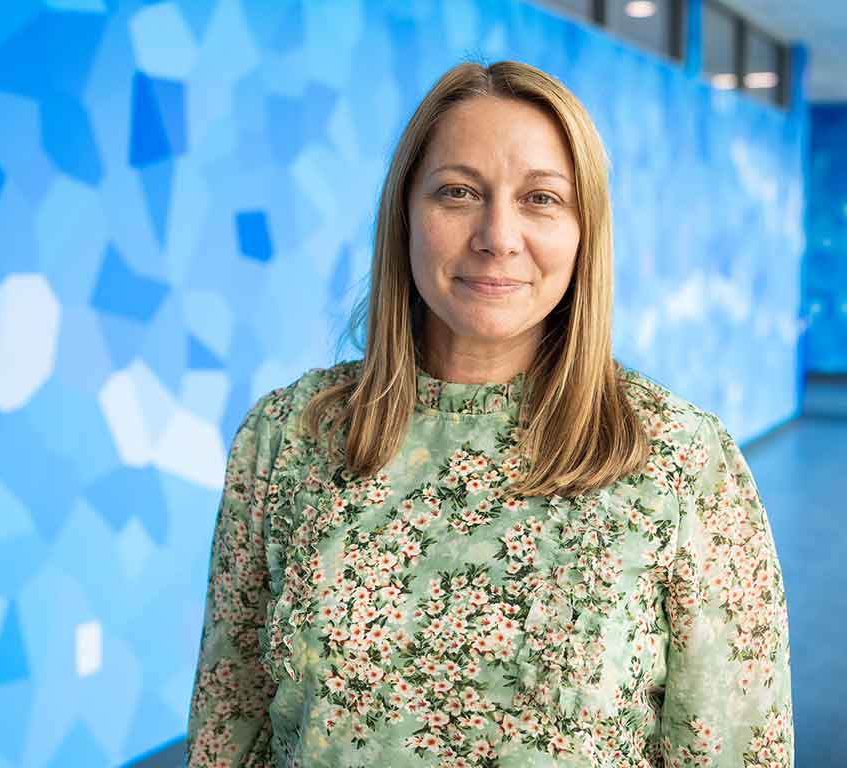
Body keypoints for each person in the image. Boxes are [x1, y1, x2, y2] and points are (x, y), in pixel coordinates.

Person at [184, 60, 794, 767]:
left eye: (541, 199)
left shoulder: (679, 459)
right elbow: (229, 727)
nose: (498, 236)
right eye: (459, 192)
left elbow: (737, 749)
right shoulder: (288, 437)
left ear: (583, 232)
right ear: (405, 213)